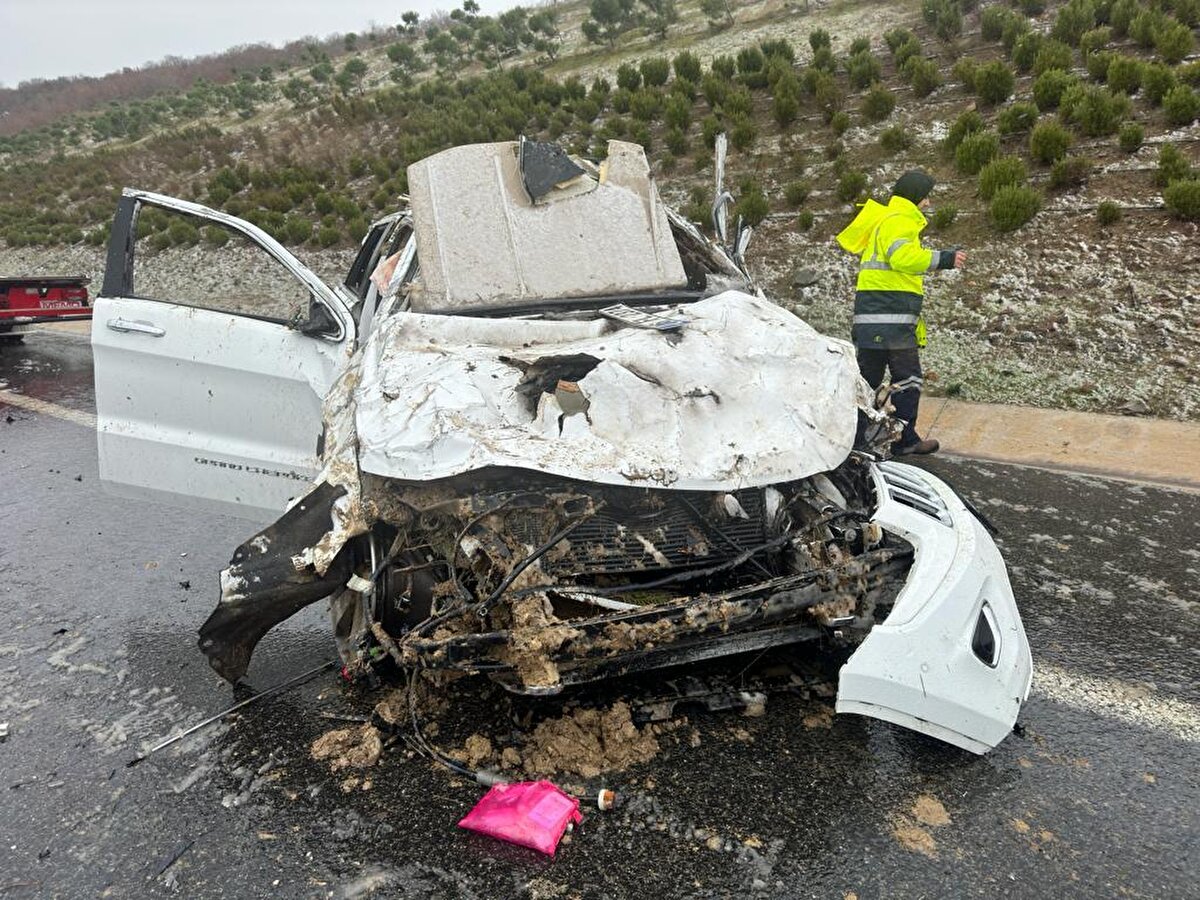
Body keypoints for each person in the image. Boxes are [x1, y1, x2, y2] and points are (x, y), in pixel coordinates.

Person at [836, 170, 964, 455]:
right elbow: (901, 257)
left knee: (868, 379)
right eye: (926, 197)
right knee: (907, 378)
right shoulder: (899, 221)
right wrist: (944, 258)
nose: (928, 204)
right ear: (916, 197)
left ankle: (854, 440)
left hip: (875, 316)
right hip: (889, 317)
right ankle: (903, 440)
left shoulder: (885, 221)